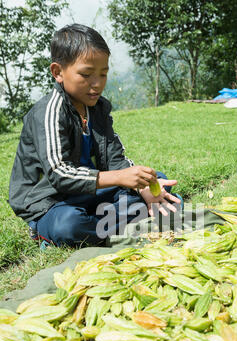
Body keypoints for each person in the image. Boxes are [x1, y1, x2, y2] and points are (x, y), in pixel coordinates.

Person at [9, 24, 182, 248]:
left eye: (103, 74)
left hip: (89, 192)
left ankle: (112, 217)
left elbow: (115, 159)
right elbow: (59, 173)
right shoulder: (49, 112)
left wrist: (141, 186)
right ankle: (49, 230)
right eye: (86, 74)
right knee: (70, 226)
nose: (97, 84)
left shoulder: (97, 109)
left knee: (156, 179)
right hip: (50, 201)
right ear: (58, 72)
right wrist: (120, 178)